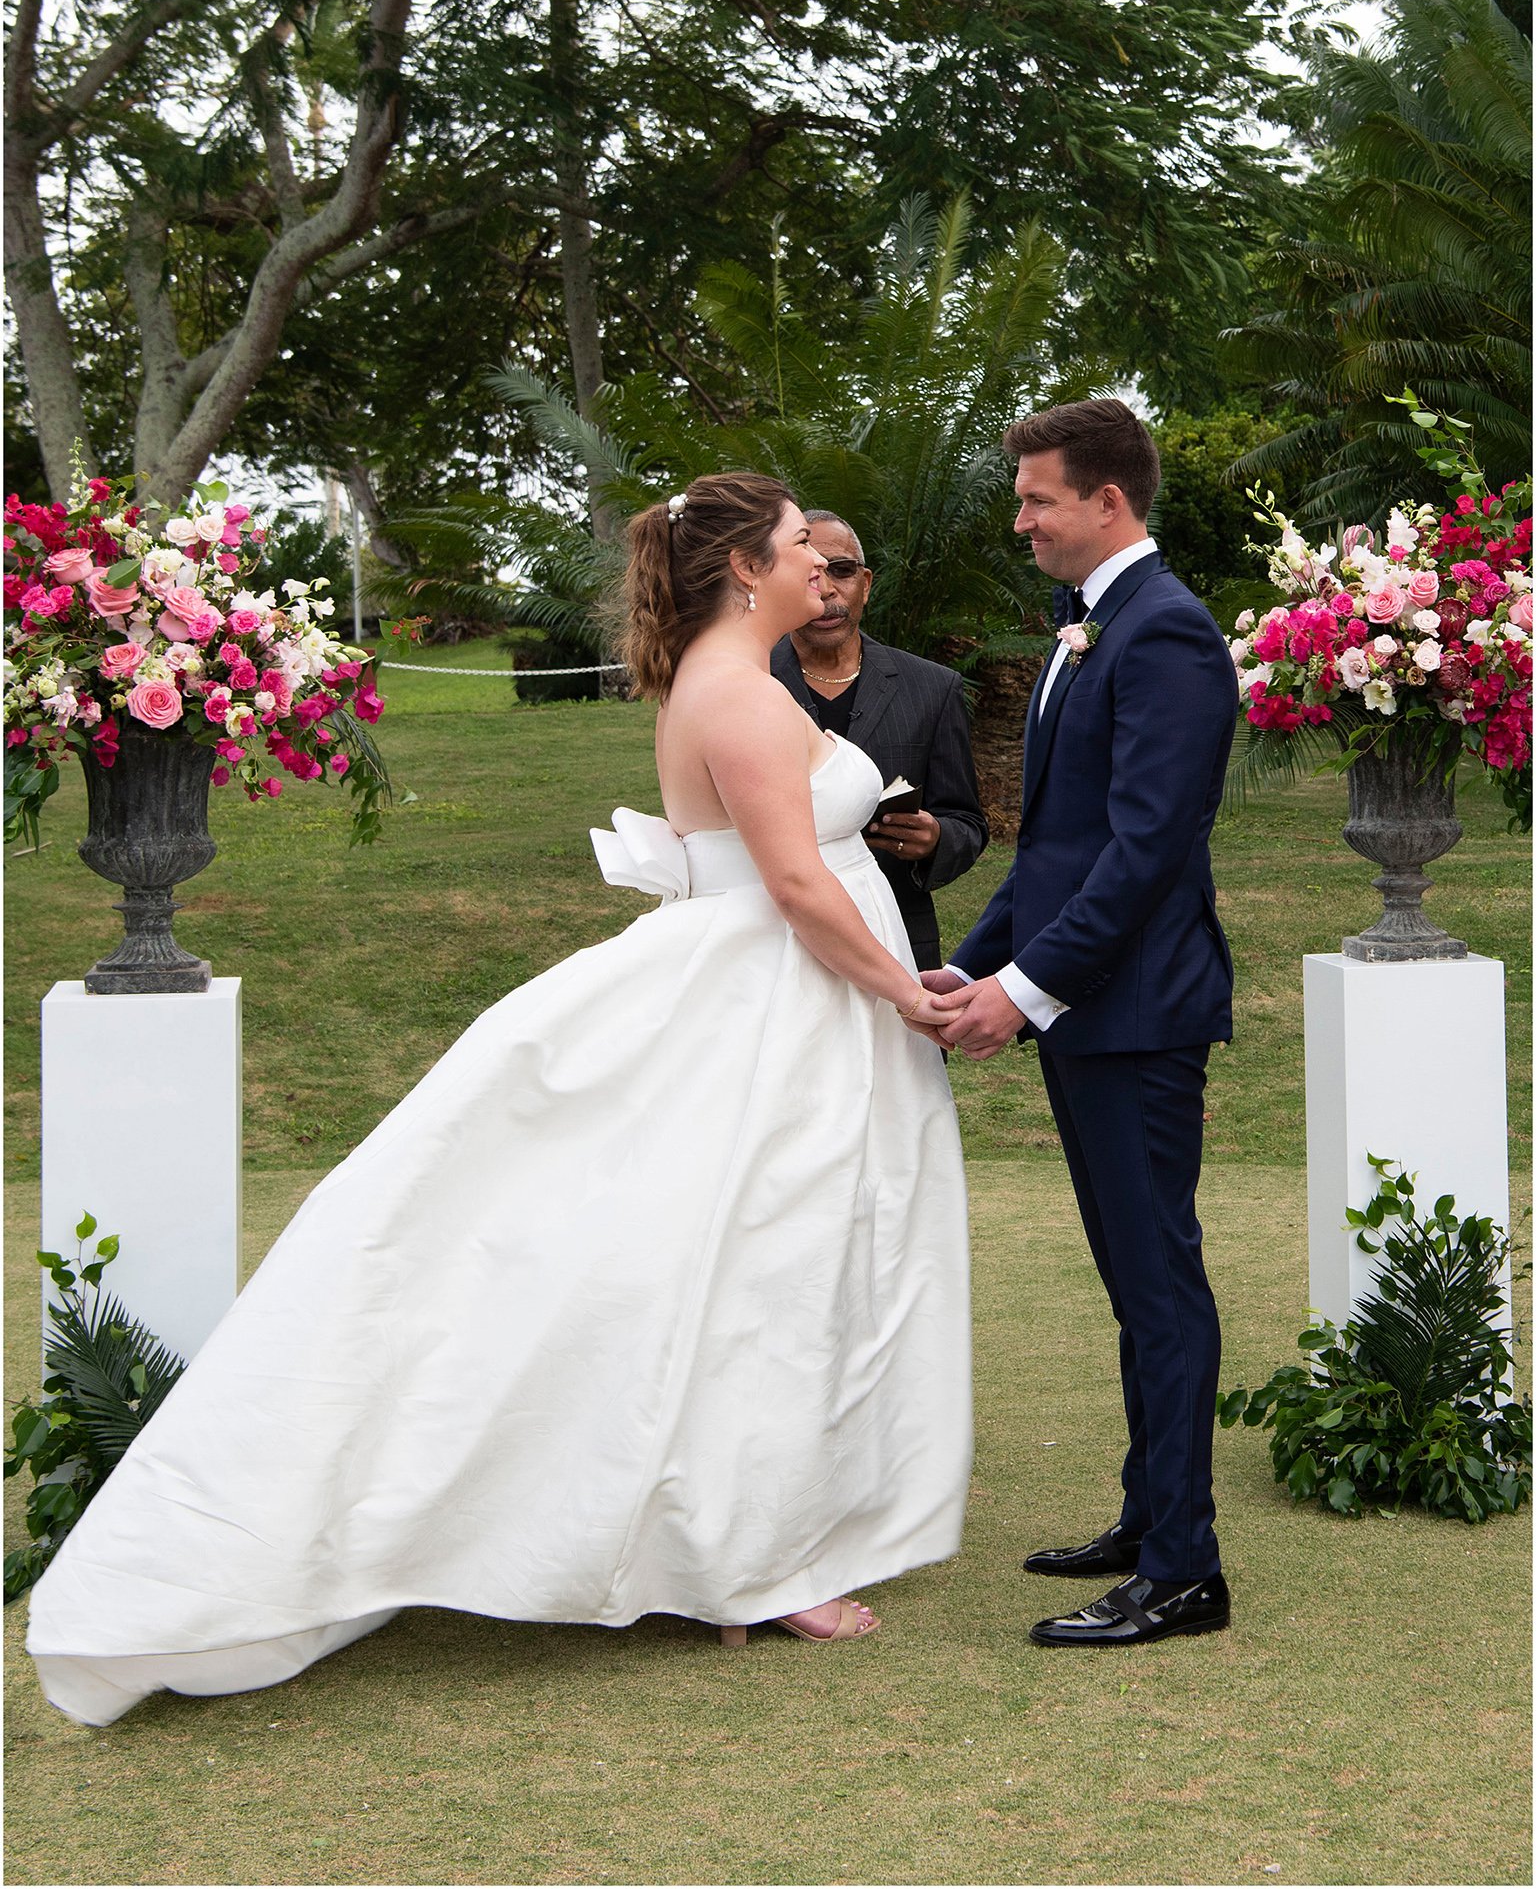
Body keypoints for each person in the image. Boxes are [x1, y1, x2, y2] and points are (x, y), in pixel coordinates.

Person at [28, 474, 972, 1725]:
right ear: (747, 566)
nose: (825, 563)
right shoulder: (736, 689)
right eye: (804, 544)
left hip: (792, 1000)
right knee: (755, 1265)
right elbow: (797, 886)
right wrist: (906, 998)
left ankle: (764, 1516)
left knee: (758, 1262)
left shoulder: (735, 674)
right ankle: (747, 1556)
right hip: (770, 1001)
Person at [927, 398, 1238, 1650]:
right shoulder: (1086, 628)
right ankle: (1146, 1509)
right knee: (1133, 1278)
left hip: (1139, 1011)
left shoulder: (1166, 632)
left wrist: (1024, 991)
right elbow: (1053, 852)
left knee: (1160, 1282)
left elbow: (1147, 852)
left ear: (1109, 500)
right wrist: (958, 972)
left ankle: (1184, 1569)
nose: (1021, 518)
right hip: (1088, 1007)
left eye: (1037, 496)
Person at [770, 511, 989, 970]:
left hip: (897, 940)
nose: (827, 589)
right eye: (810, 573)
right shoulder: (747, 681)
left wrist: (935, 839)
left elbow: (967, 822)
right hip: (772, 941)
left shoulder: (933, 688)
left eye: (842, 570)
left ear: (865, 584)